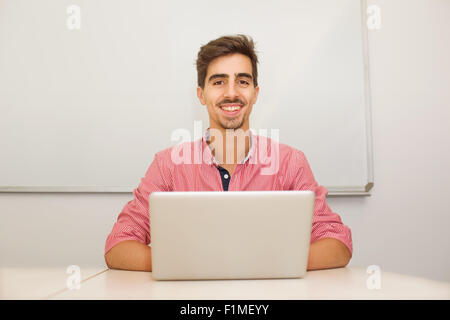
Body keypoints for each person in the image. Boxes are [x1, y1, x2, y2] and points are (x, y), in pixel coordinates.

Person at [104, 34, 352, 272]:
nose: (231, 93)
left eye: (242, 81)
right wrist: (192, 264)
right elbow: (118, 246)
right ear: (201, 94)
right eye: (219, 82)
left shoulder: (290, 163)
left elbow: (337, 244)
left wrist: (252, 264)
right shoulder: (168, 165)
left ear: (255, 93)